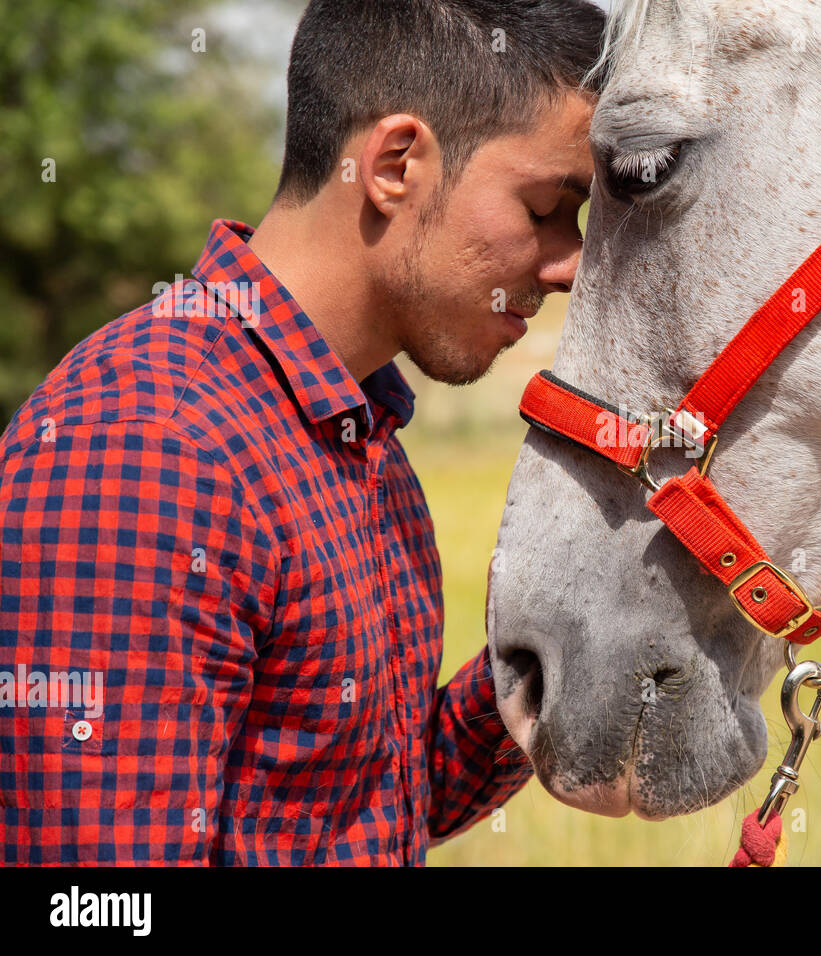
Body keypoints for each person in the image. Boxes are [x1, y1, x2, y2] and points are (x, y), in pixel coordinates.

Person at [0, 0, 606, 864]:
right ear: (397, 164)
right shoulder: (148, 446)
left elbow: (366, 801)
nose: (569, 263)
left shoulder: (355, 431)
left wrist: (567, 637)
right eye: (548, 206)